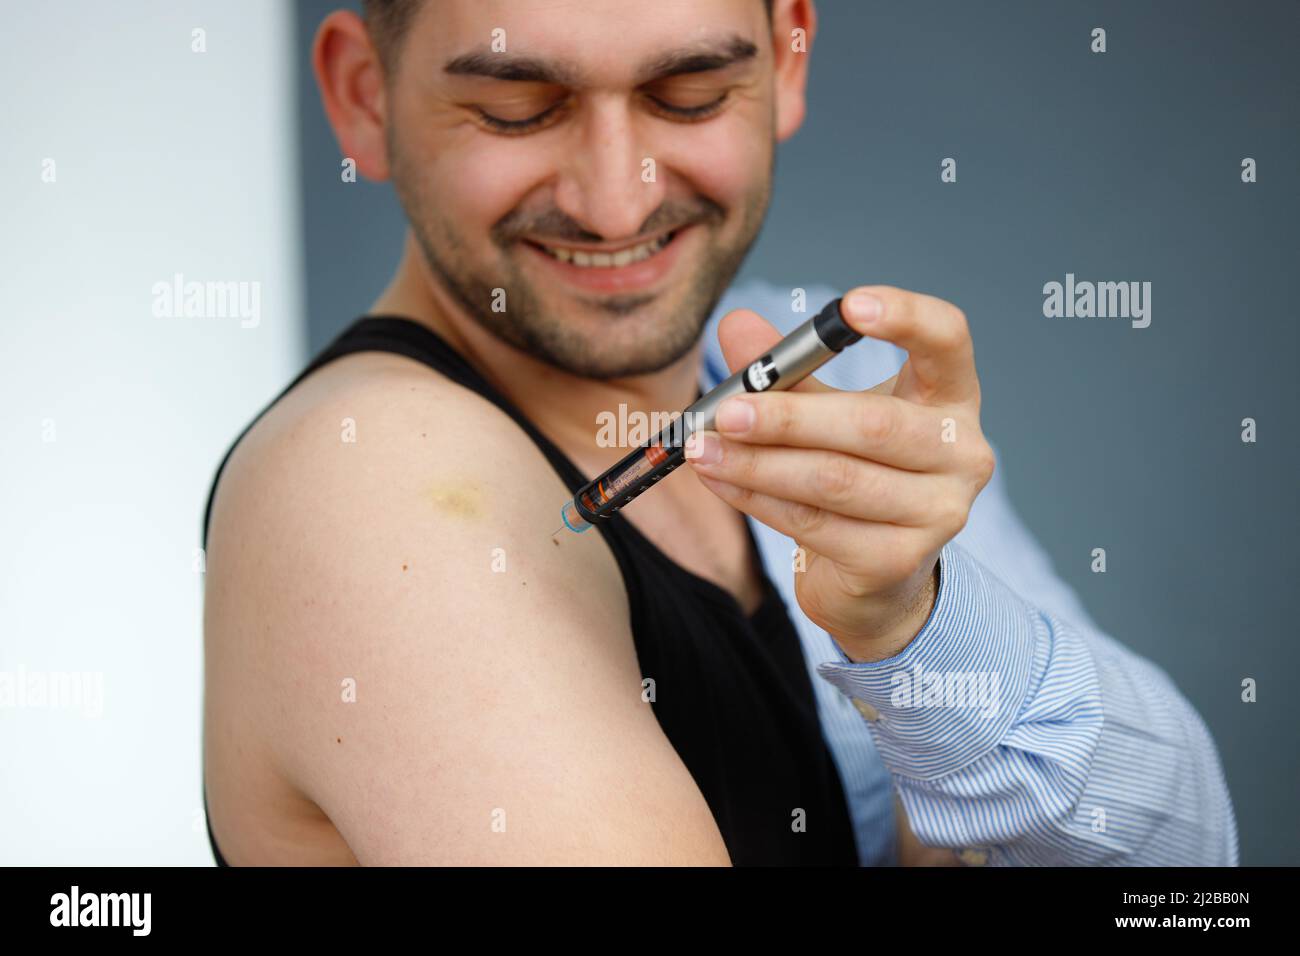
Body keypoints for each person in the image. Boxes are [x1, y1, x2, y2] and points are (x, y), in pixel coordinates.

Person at [201, 0, 1237, 865]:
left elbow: (1189, 860)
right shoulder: (372, 482)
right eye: (516, 109)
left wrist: (919, 628)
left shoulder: (854, 383)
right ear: (362, 95)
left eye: (687, 95)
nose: (615, 204)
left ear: (787, 57)